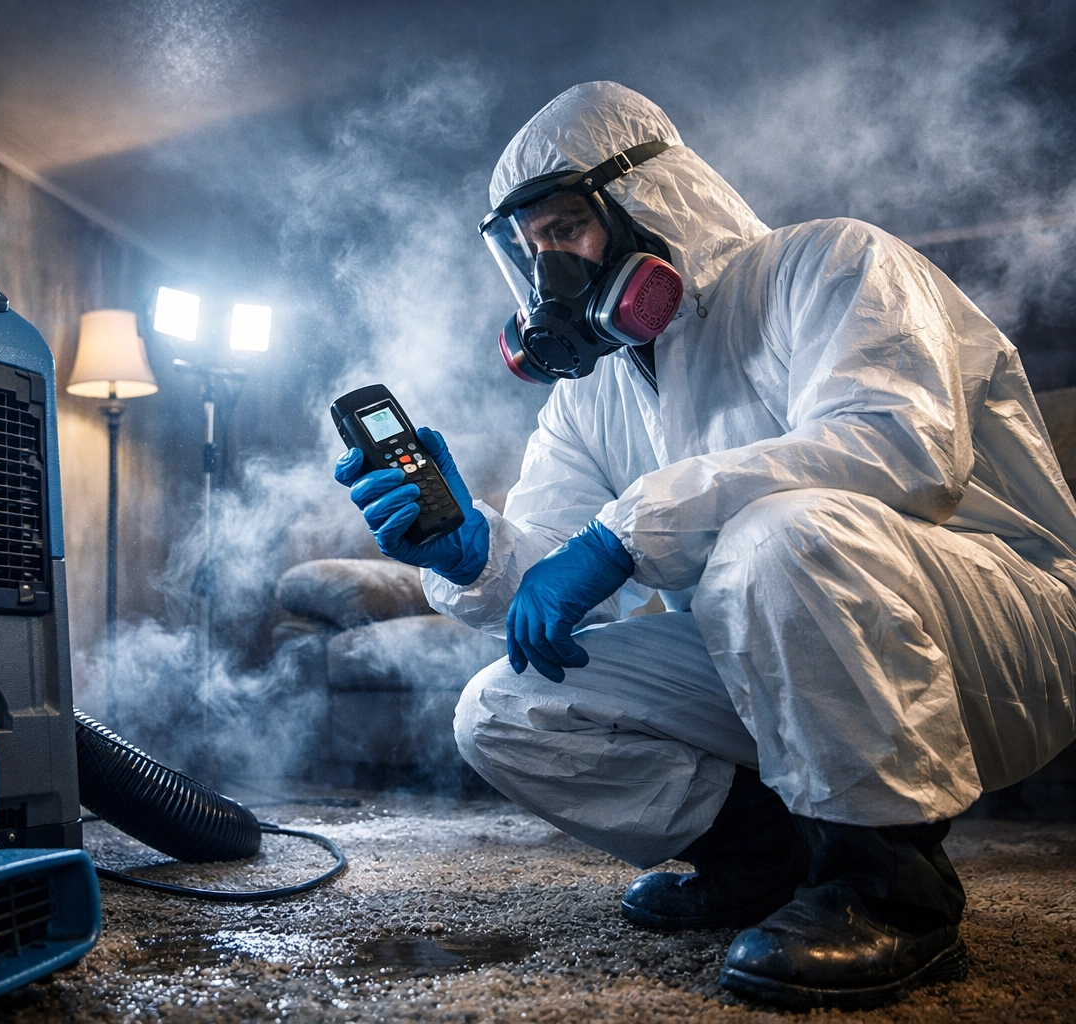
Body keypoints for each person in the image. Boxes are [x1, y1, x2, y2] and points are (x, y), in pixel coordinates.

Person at [333, 81, 1076, 1010]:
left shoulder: (832, 263)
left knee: (781, 532)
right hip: (780, 654)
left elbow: (902, 447)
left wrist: (627, 529)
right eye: (530, 250)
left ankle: (893, 892)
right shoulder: (590, 395)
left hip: (999, 631)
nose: (546, 270)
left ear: (649, 202)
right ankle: (767, 862)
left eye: (566, 228)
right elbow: (554, 574)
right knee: (505, 707)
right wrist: (467, 547)